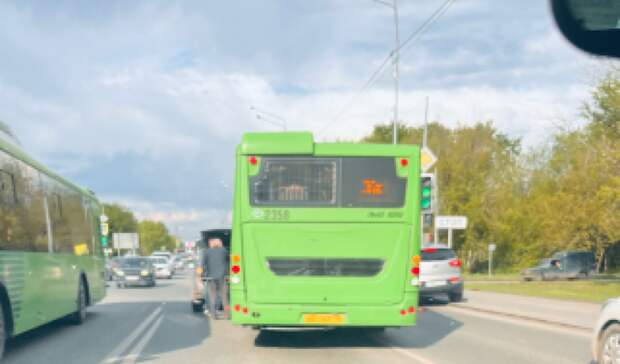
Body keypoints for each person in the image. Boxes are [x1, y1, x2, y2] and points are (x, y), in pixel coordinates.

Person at [202, 237, 229, 319]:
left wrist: (202, 275)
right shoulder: (224, 250)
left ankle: (214, 315)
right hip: (222, 277)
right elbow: (228, 260)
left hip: (211, 278)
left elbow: (203, 264)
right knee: (224, 297)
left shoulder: (206, 252)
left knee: (212, 297)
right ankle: (227, 314)